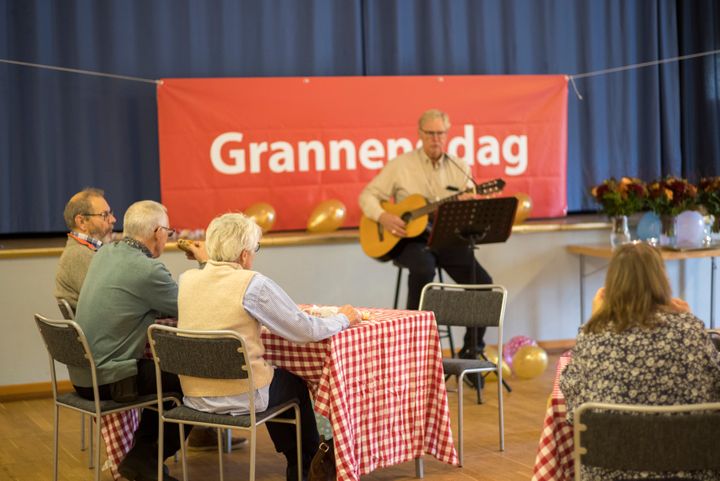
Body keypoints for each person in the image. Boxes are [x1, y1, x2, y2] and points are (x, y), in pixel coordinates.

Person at [177, 212, 361, 481]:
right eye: (254, 249)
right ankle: (304, 465)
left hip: (193, 395)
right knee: (294, 386)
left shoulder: (187, 280)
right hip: (241, 395)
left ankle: (302, 462)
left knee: (276, 379)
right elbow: (305, 330)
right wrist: (344, 318)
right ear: (243, 255)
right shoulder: (253, 284)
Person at [69, 200, 208, 481]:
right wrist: (206, 262)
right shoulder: (147, 271)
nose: (168, 239)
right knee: (194, 380)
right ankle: (144, 459)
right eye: (168, 233)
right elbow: (198, 307)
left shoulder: (106, 252)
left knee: (168, 376)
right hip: (109, 380)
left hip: (83, 375)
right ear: (157, 231)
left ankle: (143, 459)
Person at [560, 242, 720, 481]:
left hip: (610, 472)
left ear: (612, 283)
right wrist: (688, 318)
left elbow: (575, 414)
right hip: (690, 470)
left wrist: (593, 320)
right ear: (661, 279)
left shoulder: (593, 335)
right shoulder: (690, 330)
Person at [358, 108, 492, 358]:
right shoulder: (401, 165)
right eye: (430, 133)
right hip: (410, 239)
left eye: (440, 133)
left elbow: (472, 208)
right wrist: (383, 216)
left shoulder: (459, 166)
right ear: (419, 134)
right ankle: (413, 348)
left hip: (447, 237)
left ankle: (472, 351)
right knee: (423, 269)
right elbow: (367, 195)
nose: (435, 138)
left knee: (483, 284)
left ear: (447, 134)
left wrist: (468, 204)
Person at [54, 187, 116, 311]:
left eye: (111, 213)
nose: (113, 220)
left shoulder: (87, 251)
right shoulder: (78, 255)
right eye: (104, 215)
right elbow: (111, 302)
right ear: (82, 222)